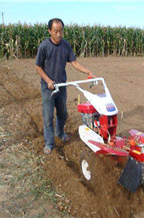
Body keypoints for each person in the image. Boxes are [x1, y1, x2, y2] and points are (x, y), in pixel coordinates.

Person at [35, 18, 95, 154]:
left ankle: (59, 132)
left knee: (63, 113)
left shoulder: (66, 45)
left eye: (61, 31)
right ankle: (49, 143)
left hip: (61, 86)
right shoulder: (44, 46)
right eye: (55, 31)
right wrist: (48, 80)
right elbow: (38, 67)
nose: (59, 34)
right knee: (48, 116)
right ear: (49, 31)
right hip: (48, 88)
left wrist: (88, 72)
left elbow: (74, 62)